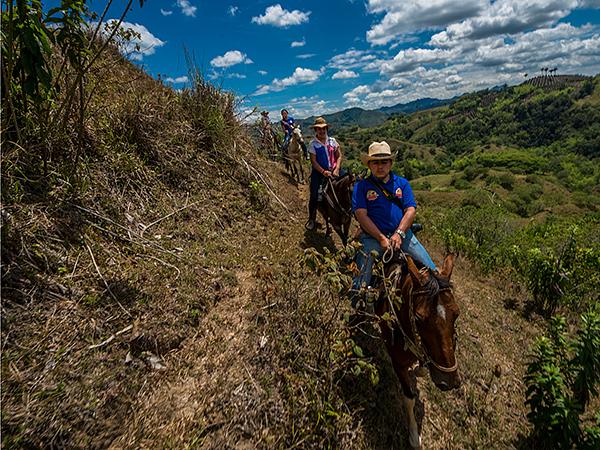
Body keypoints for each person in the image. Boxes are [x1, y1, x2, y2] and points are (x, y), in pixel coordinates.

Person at [350, 141, 437, 304]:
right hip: (372, 239)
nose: (380, 166)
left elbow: (410, 210)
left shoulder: (402, 184)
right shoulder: (361, 186)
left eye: (384, 161)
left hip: (403, 236)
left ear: (391, 163)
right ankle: (357, 307)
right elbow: (361, 215)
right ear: (369, 164)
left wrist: (399, 233)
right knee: (361, 281)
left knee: (433, 271)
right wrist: (381, 238)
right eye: (375, 162)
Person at [306, 117, 343, 230]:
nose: (321, 131)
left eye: (323, 129)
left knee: (349, 186)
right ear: (316, 130)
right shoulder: (313, 144)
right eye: (319, 129)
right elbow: (314, 161)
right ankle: (312, 218)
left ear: (326, 129)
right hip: (319, 172)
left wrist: (336, 169)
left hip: (334, 170)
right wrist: (323, 171)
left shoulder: (333, 141)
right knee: (314, 195)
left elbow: (339, 156)